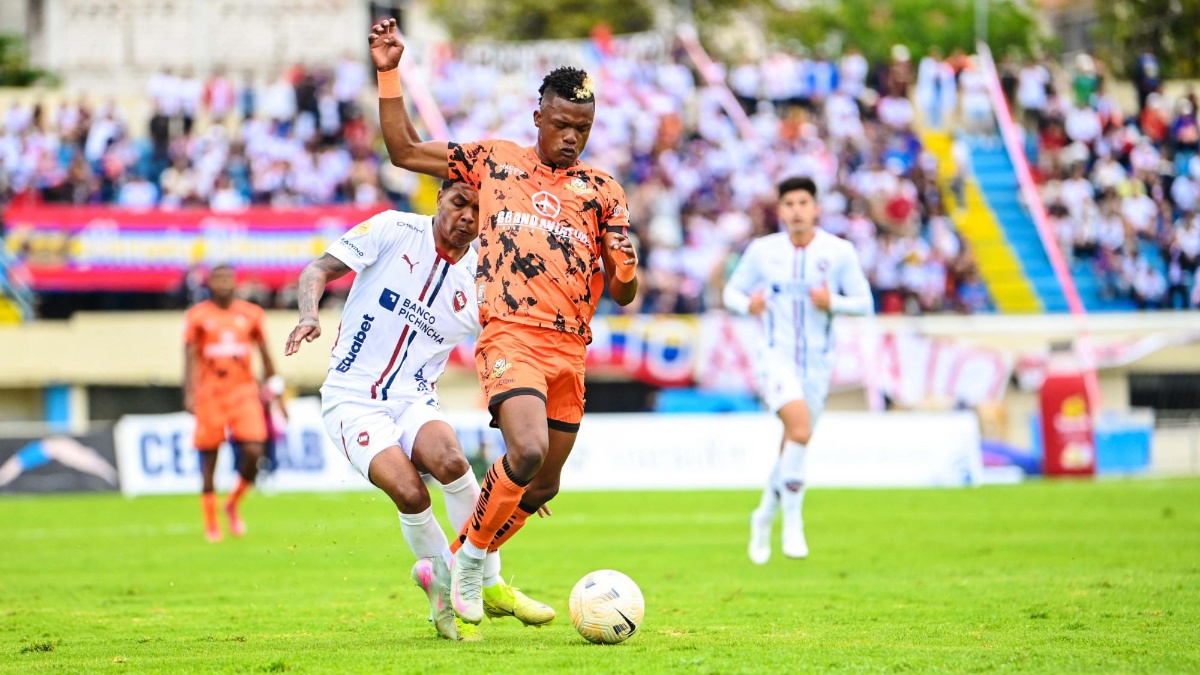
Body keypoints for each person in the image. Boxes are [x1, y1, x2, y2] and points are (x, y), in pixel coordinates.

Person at [368, 18, 639, 625]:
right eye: (562, 124)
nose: (571, 137)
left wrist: (625, 265)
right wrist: (389, 73)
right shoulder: (493, 162)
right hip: (511, 334)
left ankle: (455, 561)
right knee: (527, 448)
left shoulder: (603, 191)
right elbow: (404, 150)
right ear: (538, 116)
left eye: (583, 129)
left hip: (570, 348)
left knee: (543, 485)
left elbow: (624, 292)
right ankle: (472, 566)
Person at [284, 181, 551, 641]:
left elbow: (507, 364)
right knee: (411, 493)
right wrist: (310, 314)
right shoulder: (393, 228)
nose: (467, 216)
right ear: (440, 198)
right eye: (459, 202)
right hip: (352, 397)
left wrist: (521, 461)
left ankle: (489, 585)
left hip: (414, 397)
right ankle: (444, 593)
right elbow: (318, 269)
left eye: (478, 210)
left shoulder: (482, 283)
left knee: (452, 462)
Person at [723, 177, 872, 564]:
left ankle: (762, 516)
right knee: (801, 430)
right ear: (780, 210)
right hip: (775, 357)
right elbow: (731, 292)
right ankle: (793, 523)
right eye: (789, 203)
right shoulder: (763, 251)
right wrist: (747, 305)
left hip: (818, 363)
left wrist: (833, 302)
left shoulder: (838, 252)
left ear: (816, 208)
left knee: (794, 441)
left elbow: (864, 302)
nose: (796, 210)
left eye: (803, 202)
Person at [183, 265, 281, 542]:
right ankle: (211, 520)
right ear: (210, 284)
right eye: (218, 279)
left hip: (244, 392)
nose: (223, 283)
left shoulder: (251, 314)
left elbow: (265, 354)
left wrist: (275, 388)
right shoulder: (197, 316)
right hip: (210, 393)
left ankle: (233, 503)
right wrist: (188, 392)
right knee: (209, 455)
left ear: (235, 283)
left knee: (254, 449)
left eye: (228, 278)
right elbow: (189, 356)